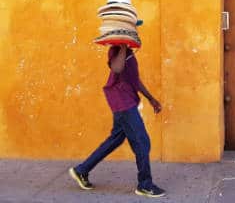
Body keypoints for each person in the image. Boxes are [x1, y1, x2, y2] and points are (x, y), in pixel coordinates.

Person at [68, 44, 166, 198]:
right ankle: (145, 185)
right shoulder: (117, 50)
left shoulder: (129, 52)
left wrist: (150, 98)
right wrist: (122, 46)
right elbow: (117, 68)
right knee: (142, 141)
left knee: (115, 139)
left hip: (125, 102)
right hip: (123, 103)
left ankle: (82, 170)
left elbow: (135, 80)